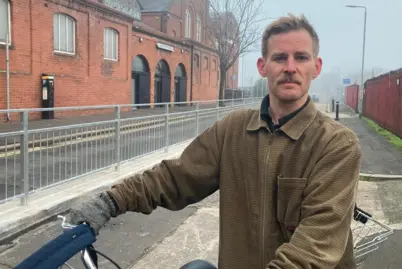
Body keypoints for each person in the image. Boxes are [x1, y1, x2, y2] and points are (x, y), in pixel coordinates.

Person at [66, 13, 361, 269]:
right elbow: (173, 178)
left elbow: (315, 246)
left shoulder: (336, 145)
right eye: (279, 57)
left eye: (301, 57)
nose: (290, 67)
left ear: (316, 67)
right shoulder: (233, 130)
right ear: (263, 66)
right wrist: (109, 201)